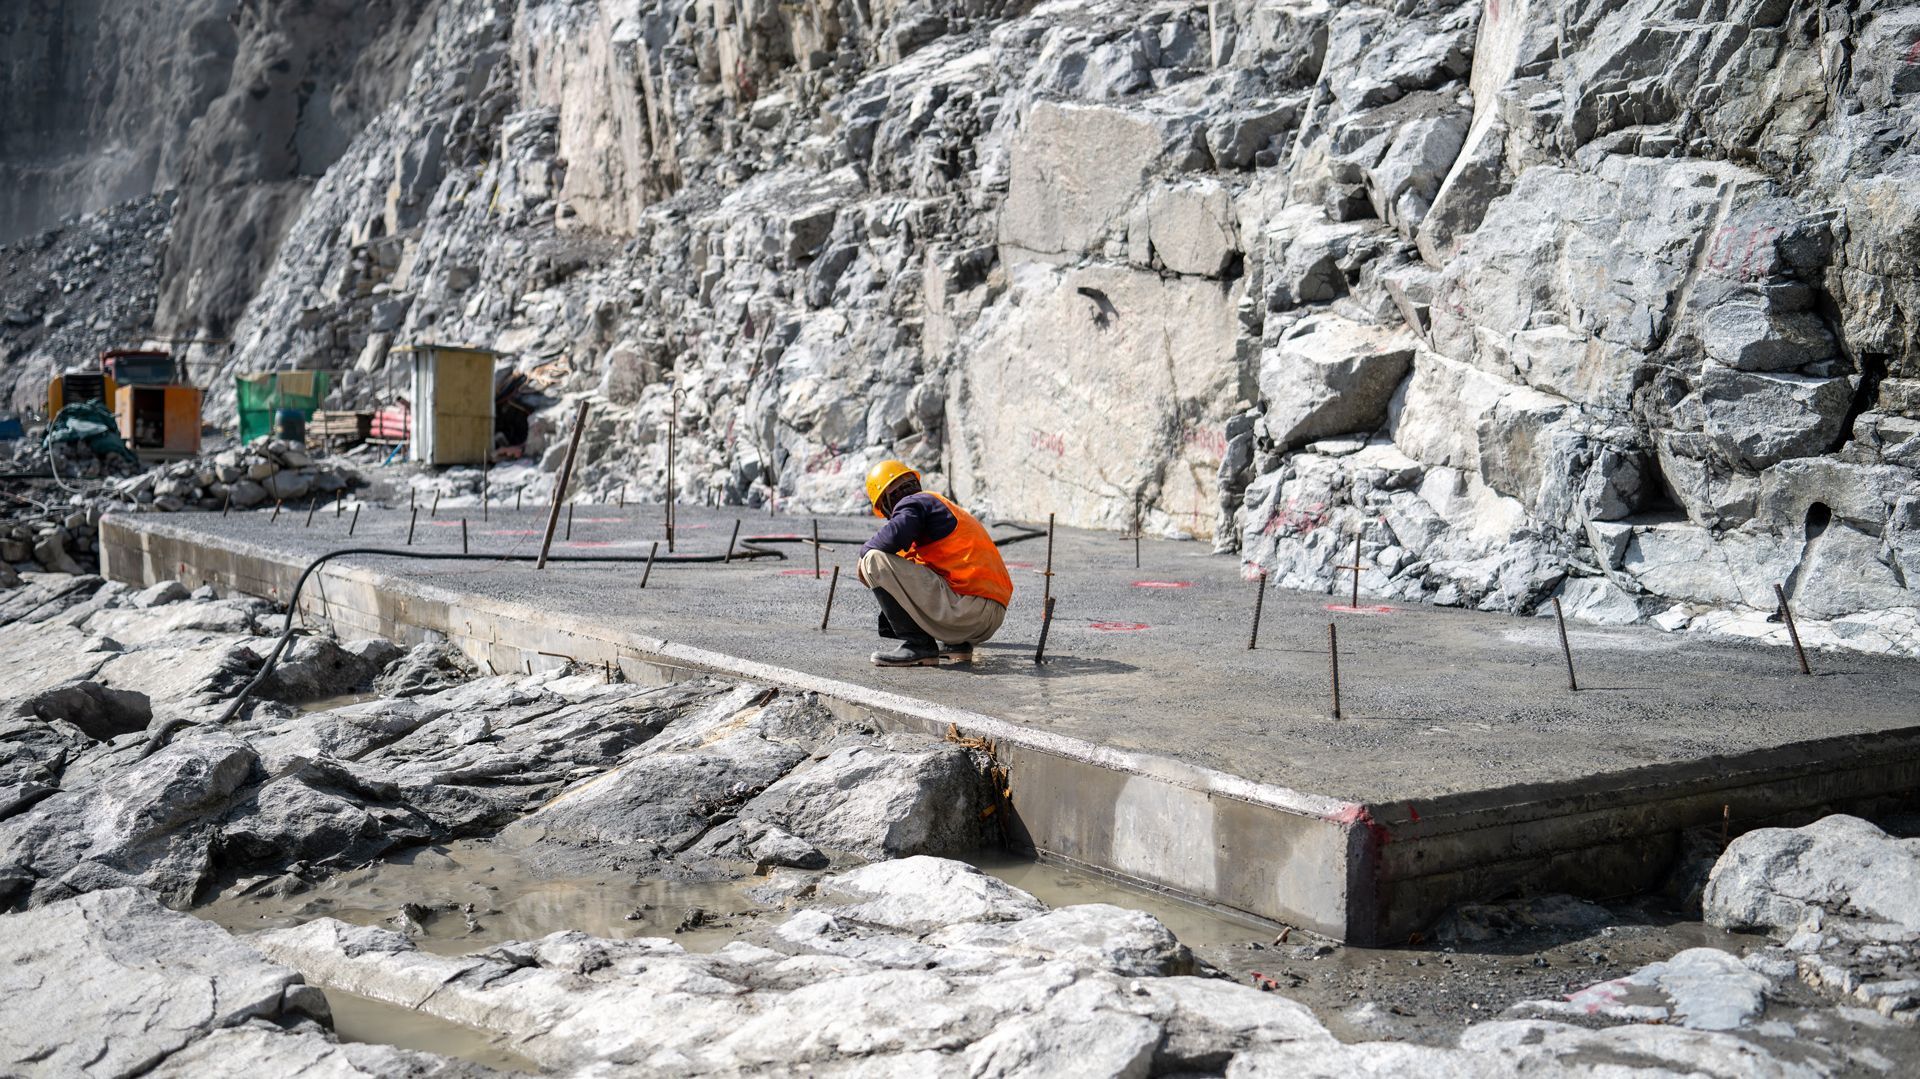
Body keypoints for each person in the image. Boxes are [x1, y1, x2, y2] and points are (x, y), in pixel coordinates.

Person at [857, 459, 1012, 667]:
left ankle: (918, 645)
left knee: (873, 560)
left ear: (886, 500)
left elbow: (893, 537)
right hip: (989, 615)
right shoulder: (939, 506)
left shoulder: (913, 503)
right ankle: (957, 645)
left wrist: (863, 558)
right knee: (923, 567)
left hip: (969, 611)